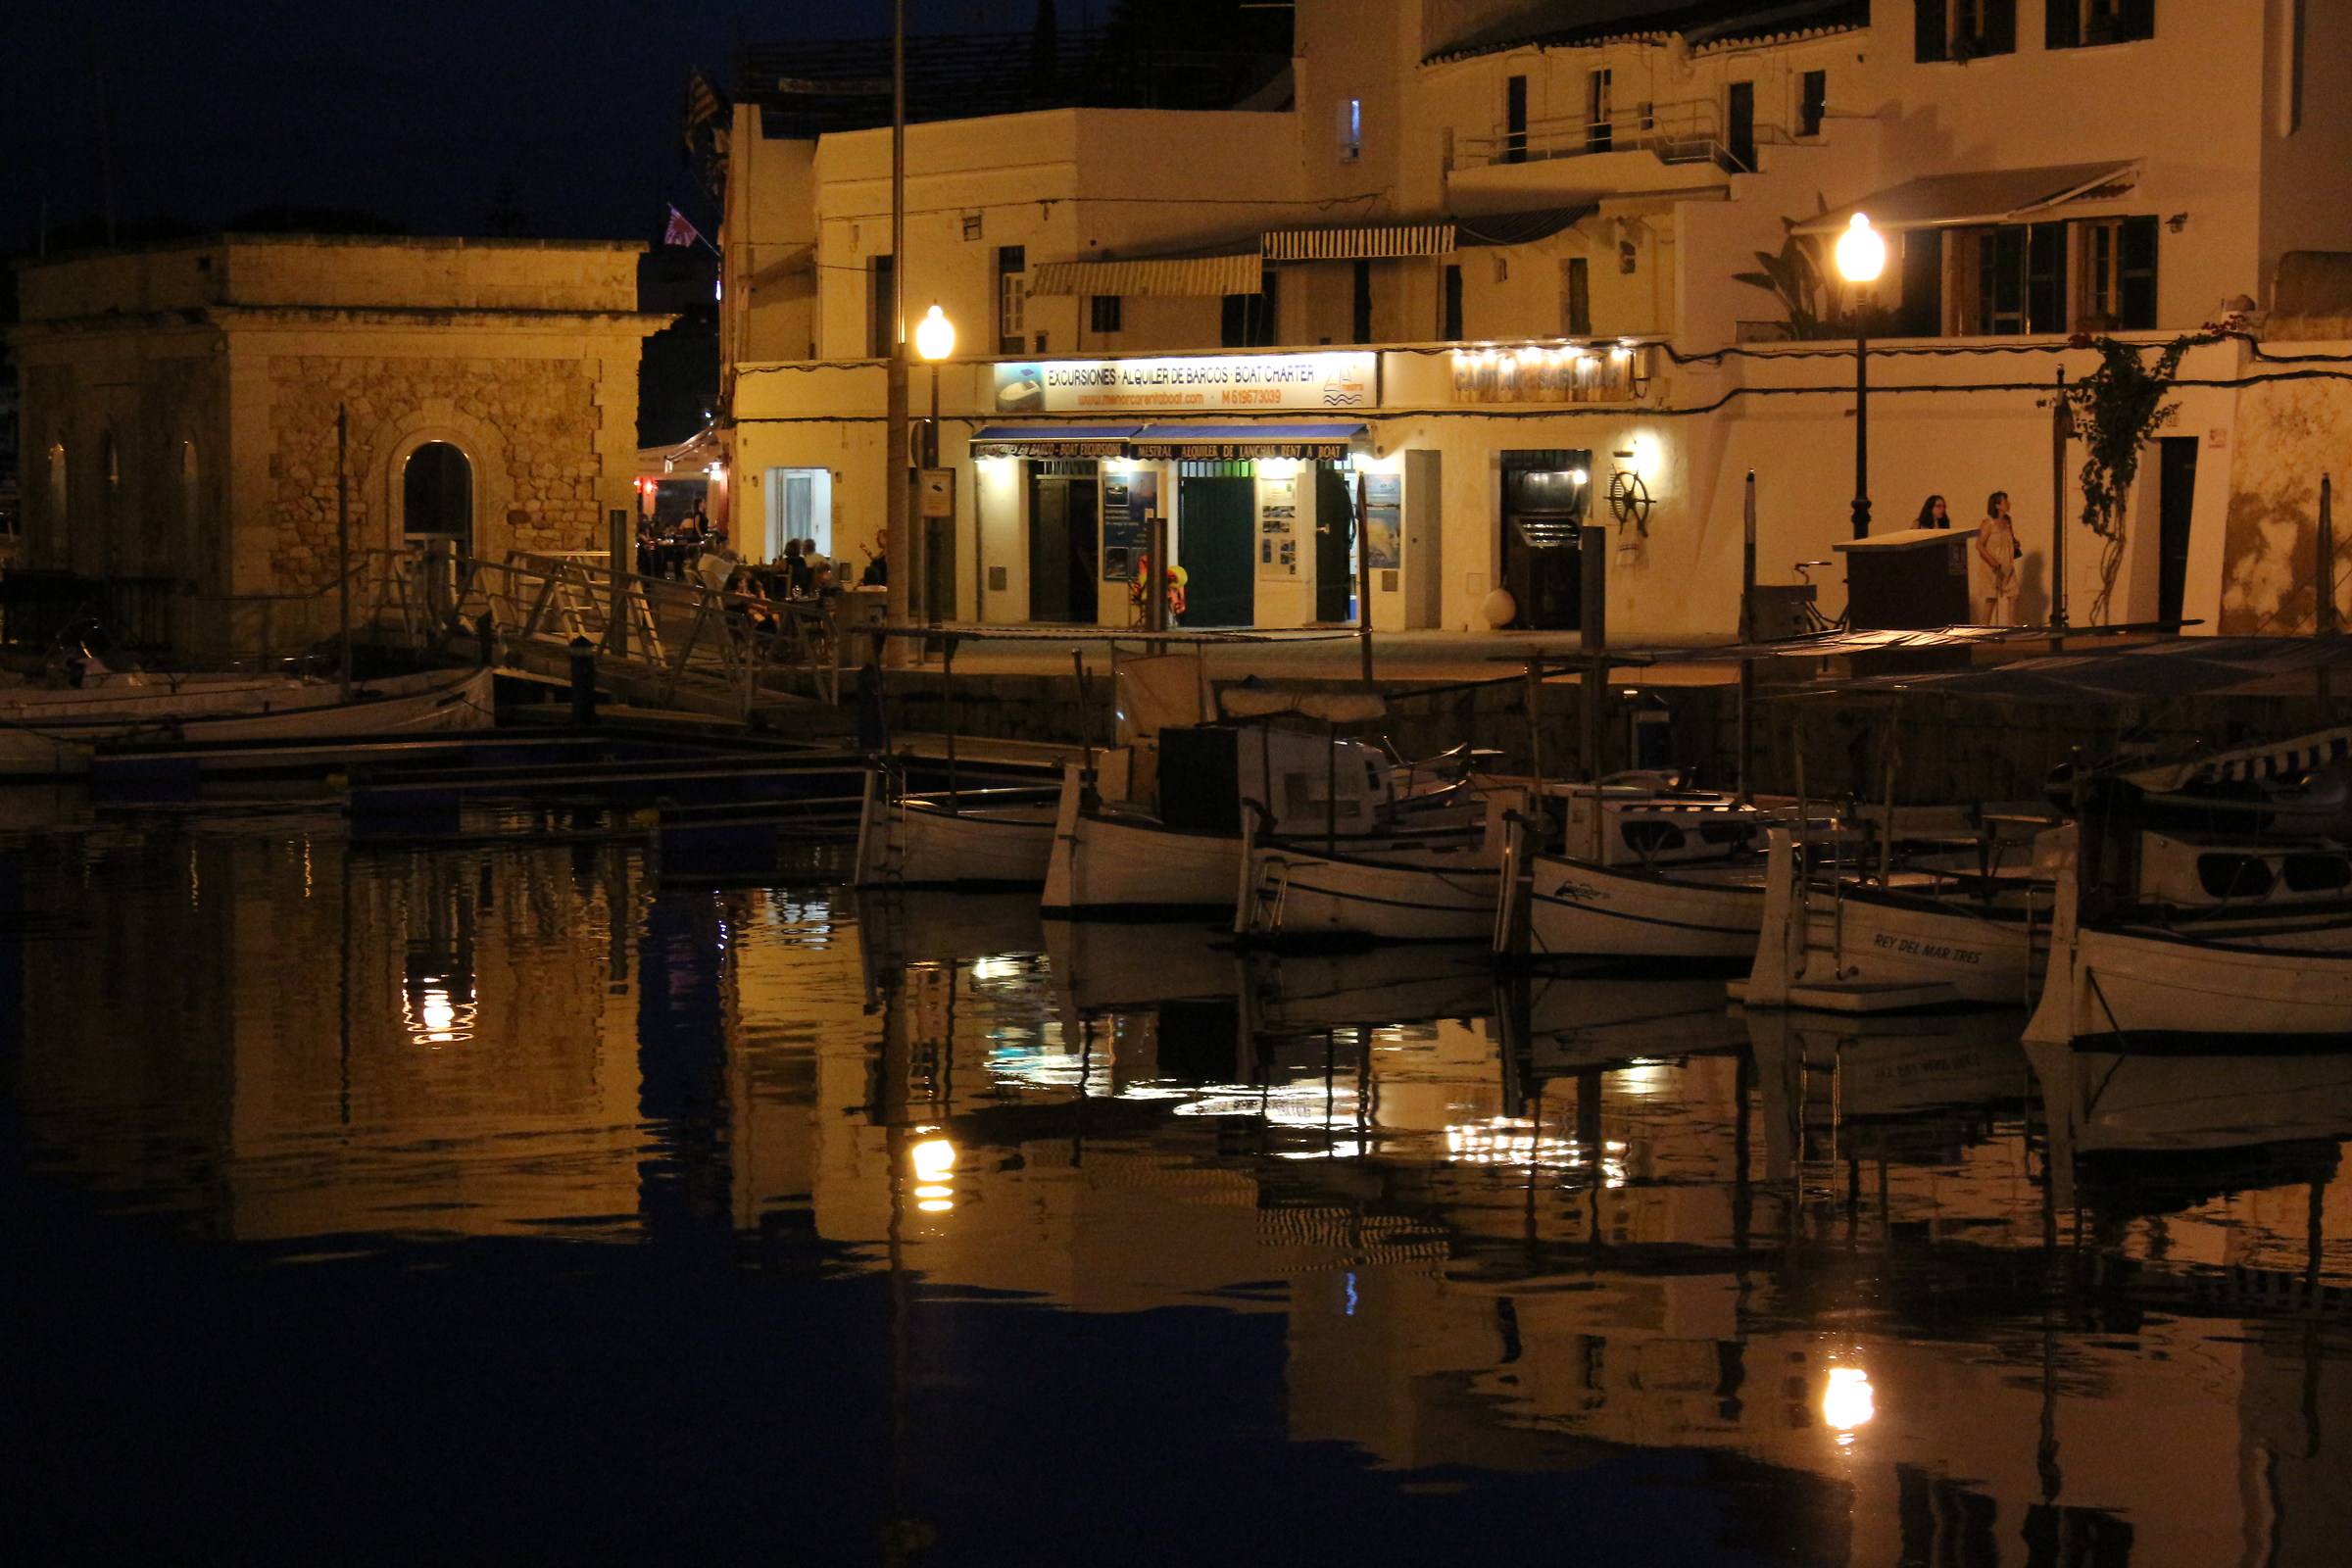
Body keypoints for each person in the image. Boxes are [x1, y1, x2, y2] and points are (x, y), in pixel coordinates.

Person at [1972, 490, 2021, 624]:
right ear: (1997, 505)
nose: (2008, 503)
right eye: (2005, 501)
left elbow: (2010, 537)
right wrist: (1991, 560)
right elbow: (1979, 545)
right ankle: (1984, 627)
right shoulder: (1988, 523)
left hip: (2007, 564)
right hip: (1992, 566)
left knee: (2013, 595)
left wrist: (2014, 543)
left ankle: (2011, 626)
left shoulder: (2007, 521)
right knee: (1991, 598)